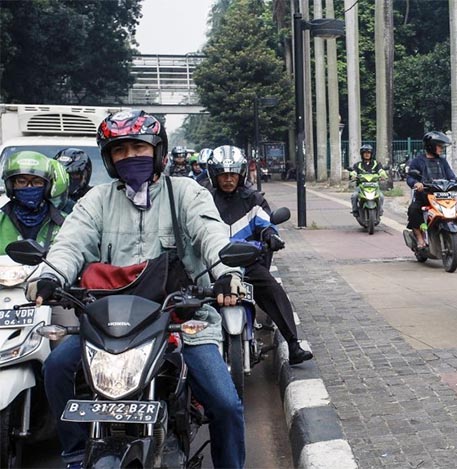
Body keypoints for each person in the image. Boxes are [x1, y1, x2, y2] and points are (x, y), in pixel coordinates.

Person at [26, 110, 246, 469]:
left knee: (225, 403)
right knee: (56, 369)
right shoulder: (96, 200)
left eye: (138, 148)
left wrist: (226, 274)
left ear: (158, 151)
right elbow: (70, 243)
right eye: (120, 150)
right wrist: (48, 275)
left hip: (180, 320)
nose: (130, 157)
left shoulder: (187, 193)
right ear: (109, 158)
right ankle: (75, 453)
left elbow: (212, 237)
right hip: (107, 325)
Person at [206, 145, 313, 365]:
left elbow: (265, 222)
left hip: (247, 263)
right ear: (214, 176)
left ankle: (294, 344)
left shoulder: (253, 199)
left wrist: (271, 235)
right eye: (223, 175)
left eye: (233, 174)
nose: (228, 179)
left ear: (241, 174)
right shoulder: (203, 200)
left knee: (275, 291)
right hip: (213, 264)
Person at [406, 131, 457, 250]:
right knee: (413, 209)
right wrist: (416, 183)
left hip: (443, 195)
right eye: (439, 146)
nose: (441, 149)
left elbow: (451, 176)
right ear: (431, 145)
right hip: (425, 195)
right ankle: (419, 237)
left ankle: (450, 230)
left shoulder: (442, 161)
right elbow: (410, 177)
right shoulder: (418, 161)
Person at [0, 151, 69, 254]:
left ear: (47, 187)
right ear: (11, 185)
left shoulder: (66, 224)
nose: (29, 187)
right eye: (22, 182)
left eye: (37, 182)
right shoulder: (1, 220)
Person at [350, 144, 388, 217]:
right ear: (362, 154)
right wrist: (353, 176)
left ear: (371, 154)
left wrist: (383, 175)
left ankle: (380, 209)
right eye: (365, 153)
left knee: (381, 196)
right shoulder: (358, 165)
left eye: (369, 153)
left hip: (374, 186)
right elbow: (354, 171)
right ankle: (355, 210)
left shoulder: (376, 163)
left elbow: (381, 170)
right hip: (361, 186)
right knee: (354, 196)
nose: (367, 154)